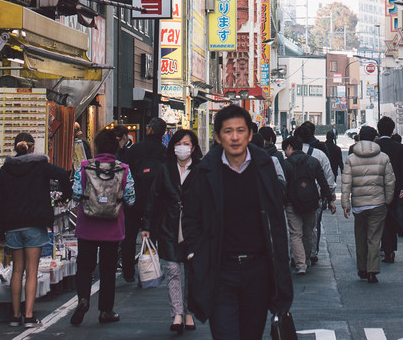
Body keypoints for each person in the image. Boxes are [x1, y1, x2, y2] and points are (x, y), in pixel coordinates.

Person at [181, 104, 293, 340]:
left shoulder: (265, 167)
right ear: (217, 136)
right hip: (220, 269)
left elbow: (276, 220)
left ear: (250, 134)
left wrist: (281, 264)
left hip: (258, 270)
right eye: (228, 131)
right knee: (225, 333)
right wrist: (195, 252)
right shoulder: (205, 172)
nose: (235, 137)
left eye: (240, 131)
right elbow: (191, 218)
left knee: (252, 335)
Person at [0, 131, 72, 326]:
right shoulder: (40, 166)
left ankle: (14, 315)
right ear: (32, 147)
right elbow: (63, 174)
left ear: (15, 147)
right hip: (34, 224)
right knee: (32, 270)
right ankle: (28, 316)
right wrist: (64, 197)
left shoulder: (6, 169)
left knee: (17, 270)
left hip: (12, 225)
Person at [70, 128, 135, 326]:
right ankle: (106, 310)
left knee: (84, 266)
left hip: (87, 226)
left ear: (96, 147)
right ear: (116, 147)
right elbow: (131, 198)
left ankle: (83, 298)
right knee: (108, 270)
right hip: (112, 228)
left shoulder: (83, 167)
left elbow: (75, 193)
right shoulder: (123, 168)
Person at [143, 127, 203, 334]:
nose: (183, 148)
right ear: (173, 147)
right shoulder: (165, 169)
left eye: (186, 144)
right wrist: (146, 225)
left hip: (193, 228)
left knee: (192, 272)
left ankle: (189, 313)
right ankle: (177, 313)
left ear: (193, 148)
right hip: (169, 225)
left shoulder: (201, 170)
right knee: (173, 270)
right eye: (179, 144)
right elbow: (154, 197)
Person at [340, 125, 396, 283]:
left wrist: (346, 204)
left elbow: (346, 183)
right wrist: (387, 200)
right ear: (374, 138)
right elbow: (390, 182)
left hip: (359, 204)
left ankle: (362, 268)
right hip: (377, 203)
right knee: (374, 238)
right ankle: (373, 270)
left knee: (360, 238)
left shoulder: (351, 158)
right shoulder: (383, 157)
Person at [120, 117, 170, 281]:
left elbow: (124, 173)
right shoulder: (164, 152)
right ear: (163, 133)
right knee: (152, 235)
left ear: (149, 130)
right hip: (156, 200)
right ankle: (149, 272)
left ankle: (128, 271)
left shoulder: (134, 149)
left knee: (129, 235)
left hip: (134, 198)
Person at [281, 135, 332, 275]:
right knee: (308, 233)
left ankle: (300, 264)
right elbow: (323, 182)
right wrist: (330, 200)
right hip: (311, 201)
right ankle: (307, 259)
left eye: (285, 149)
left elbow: (283, 185)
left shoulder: (286, 164)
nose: (285, 152)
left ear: (290, 147)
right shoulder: (313, 162)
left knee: (295, 234)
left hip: (292, 203)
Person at [294, 122, 335, 264]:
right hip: (314, 197)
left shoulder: (289, 156)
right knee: (312, 227)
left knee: (295, 229)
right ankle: (310, 254)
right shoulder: (319, 154)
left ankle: (297, 257)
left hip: (293, 198)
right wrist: (329, 195)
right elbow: (328, 177)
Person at [374, 115, 403, 263]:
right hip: (394, 187)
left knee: (379, 219)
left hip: (377, 186)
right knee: (390, 216)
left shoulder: (375, 147)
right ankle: (390, 248)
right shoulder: (398, 147)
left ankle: (385, 247)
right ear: (392, 131)